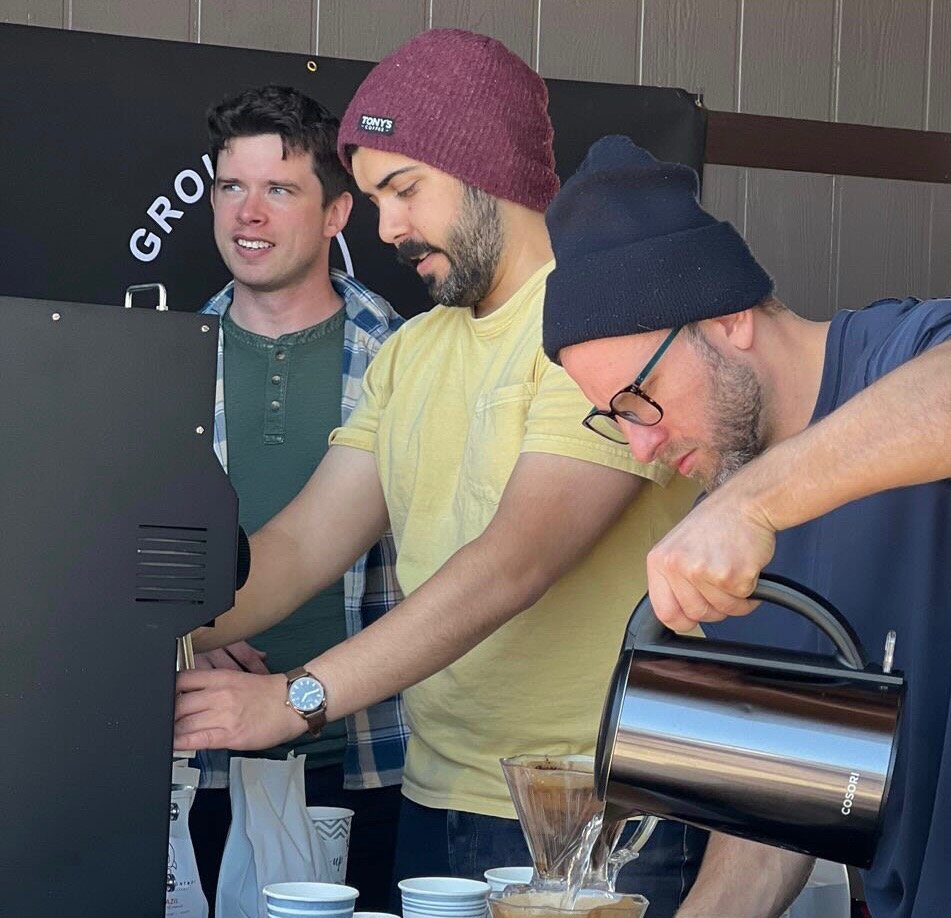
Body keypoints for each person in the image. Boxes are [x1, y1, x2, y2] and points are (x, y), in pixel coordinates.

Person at [175, 31, 706, 915]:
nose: (387, 229)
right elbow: (300, 545)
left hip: (597, 809)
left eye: (404, 190)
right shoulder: (412, 350)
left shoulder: (602, 321)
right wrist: (142, 634)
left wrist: (295, 699)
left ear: (486, 167)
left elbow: (514, 562)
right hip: (434, 794)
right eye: (377, 198)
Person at [541, 134, 951, 918]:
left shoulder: (899, 353)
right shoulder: (728, 539)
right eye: (612, 420)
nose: (642, 446)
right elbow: (776, 818)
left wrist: (754, 503)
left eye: (638, 398)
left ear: (728, 317)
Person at [189, 84, 408, 912]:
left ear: (335, 214)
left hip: (372, 757)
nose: (247, 213)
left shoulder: (403, 358)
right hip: (202, 763)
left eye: (278, 189)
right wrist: (185, 639)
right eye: (230, 186)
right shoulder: (161, 363)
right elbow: (114, 550)